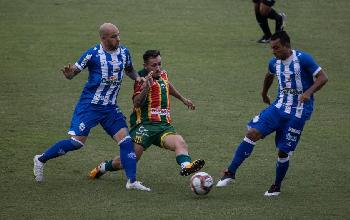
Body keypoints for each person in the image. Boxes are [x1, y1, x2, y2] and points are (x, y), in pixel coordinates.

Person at [33, 23, 150, 191]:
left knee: (126, 141)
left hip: (110, 108)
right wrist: (69, 74)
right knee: (77, 143)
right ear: (103, 38)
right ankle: (41, 159)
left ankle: (132, 181)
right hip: (90, 106)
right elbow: (74, 71)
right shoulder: (93, 54)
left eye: (118, 35)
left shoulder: (124, 52)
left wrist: (138, 78)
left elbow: (129, 69)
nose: (119, 38)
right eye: (114, 36)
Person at [216, 31, 328, 196]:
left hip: (298, 112)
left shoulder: (303, 59)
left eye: (277, 48)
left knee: (283, 151)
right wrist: (263, 93)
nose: (273, 51)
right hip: (278, 107)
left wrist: (308, 92)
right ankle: (230, 172)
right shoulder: (274, 62)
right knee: (252, 132)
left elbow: (322, 77)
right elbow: (269, 75)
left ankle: (276, 186)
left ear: (287, 46)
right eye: (272, 48)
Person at [89, 50, 205, 180]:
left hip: (163, 126)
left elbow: (167, 85)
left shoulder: (163, 74)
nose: (158, 68)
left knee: (180, 142)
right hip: (144, 127)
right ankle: (103, 167)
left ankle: (186, 166)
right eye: (154, 65)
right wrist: (147, 88)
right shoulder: (141, 80)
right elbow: (136, 103)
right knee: (127, 161)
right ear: (146, 66)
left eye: (159, 64)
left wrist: (183, 99)